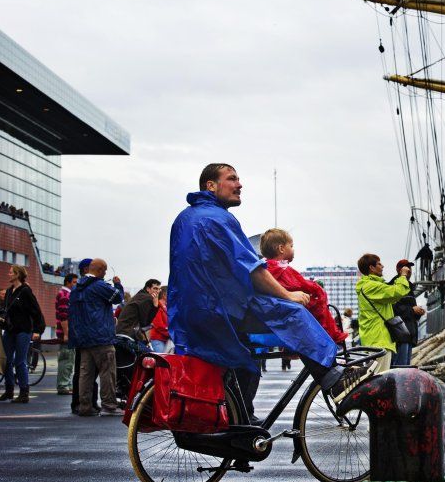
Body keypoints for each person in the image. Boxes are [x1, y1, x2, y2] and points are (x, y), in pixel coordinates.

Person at [168, 163, 372, 421]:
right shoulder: (218, 218)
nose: (239, 184)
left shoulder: (185, 218)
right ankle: (333, 378)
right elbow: (252, 268)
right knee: (294, 315)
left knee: (245, 364)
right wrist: (288, 296)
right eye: (232, 179)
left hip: (191, 311)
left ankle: (240, 426)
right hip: (220, 307)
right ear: (211, 185)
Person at [258, 228, 349, 347]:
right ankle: (331, 338)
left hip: (272, 313)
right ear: (281, 249)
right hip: (289, 315)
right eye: (291, 246)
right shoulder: (282, 269)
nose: (293, 249)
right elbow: (299, 285)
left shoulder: (264, 270)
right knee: (318, 304)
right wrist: (316, 287)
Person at [69, 258, 124, 416]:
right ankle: (109, 405)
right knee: (107, 372)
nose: (105, 273)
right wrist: (118, 284)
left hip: (83, 338)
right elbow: (118, 297)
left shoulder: (77, 288)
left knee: (86, 374)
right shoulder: (99, 286)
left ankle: (85, 406)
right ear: (99, 270)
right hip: (101, 337)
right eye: (104, 271)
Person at [356, 253, 411, 372]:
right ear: (371, 268)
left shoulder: (370, 285)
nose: (383, 266)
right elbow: (397, 291)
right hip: (379, 340)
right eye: (379, 264)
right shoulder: (370, 286)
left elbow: (393, 295)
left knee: (378, 376)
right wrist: (403, 276)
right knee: (379, 377)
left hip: (377, 339)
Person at [0, 265, 46, 403]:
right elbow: (6, 309)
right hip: (9, 330)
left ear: (18, 274)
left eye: (11, 272)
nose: (8, 274)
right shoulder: (9, 292)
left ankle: (24, 392)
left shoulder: (25, 291)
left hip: (23, 330)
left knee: (20, 361)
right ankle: (9, 390)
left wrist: (38, 330)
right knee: (6, 360)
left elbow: (36, 311)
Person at [70, 258, 99, 415]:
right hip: (86, 335)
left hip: (84, 335)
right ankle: (81, 402)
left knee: (87, 372)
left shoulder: (80, 287)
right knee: (85, 372)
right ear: (87, 269)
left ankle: (86, 402)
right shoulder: (84, 287)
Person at [389, 260, 425, 367]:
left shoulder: (409, 287)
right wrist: (412, 310)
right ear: (399, 270)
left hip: (407, 333)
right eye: (406, 268)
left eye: (410, 268)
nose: (409, 270)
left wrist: (418, 312)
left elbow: (406, 309)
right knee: (400, 367)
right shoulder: (395, 285)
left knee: (404, 366)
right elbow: (393, 308)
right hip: (400, 334)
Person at [55, 273, 78, 395]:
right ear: (68, 282)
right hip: (67, 332)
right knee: (66, 360)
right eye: (74, 282)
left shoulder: (66, 294)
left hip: (68, 332)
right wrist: (66, 334)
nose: (76, 284)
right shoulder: (65, 295)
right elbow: (63, 316)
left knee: (69, 360)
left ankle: (66, 384)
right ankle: (63, 385)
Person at [148, 287, 171, 353]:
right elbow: (158, 325)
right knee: (162, 361)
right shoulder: (157, 306)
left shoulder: (166, 307)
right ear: (164, 295)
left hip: (165, 339)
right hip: (158, 339)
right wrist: (170, 333)